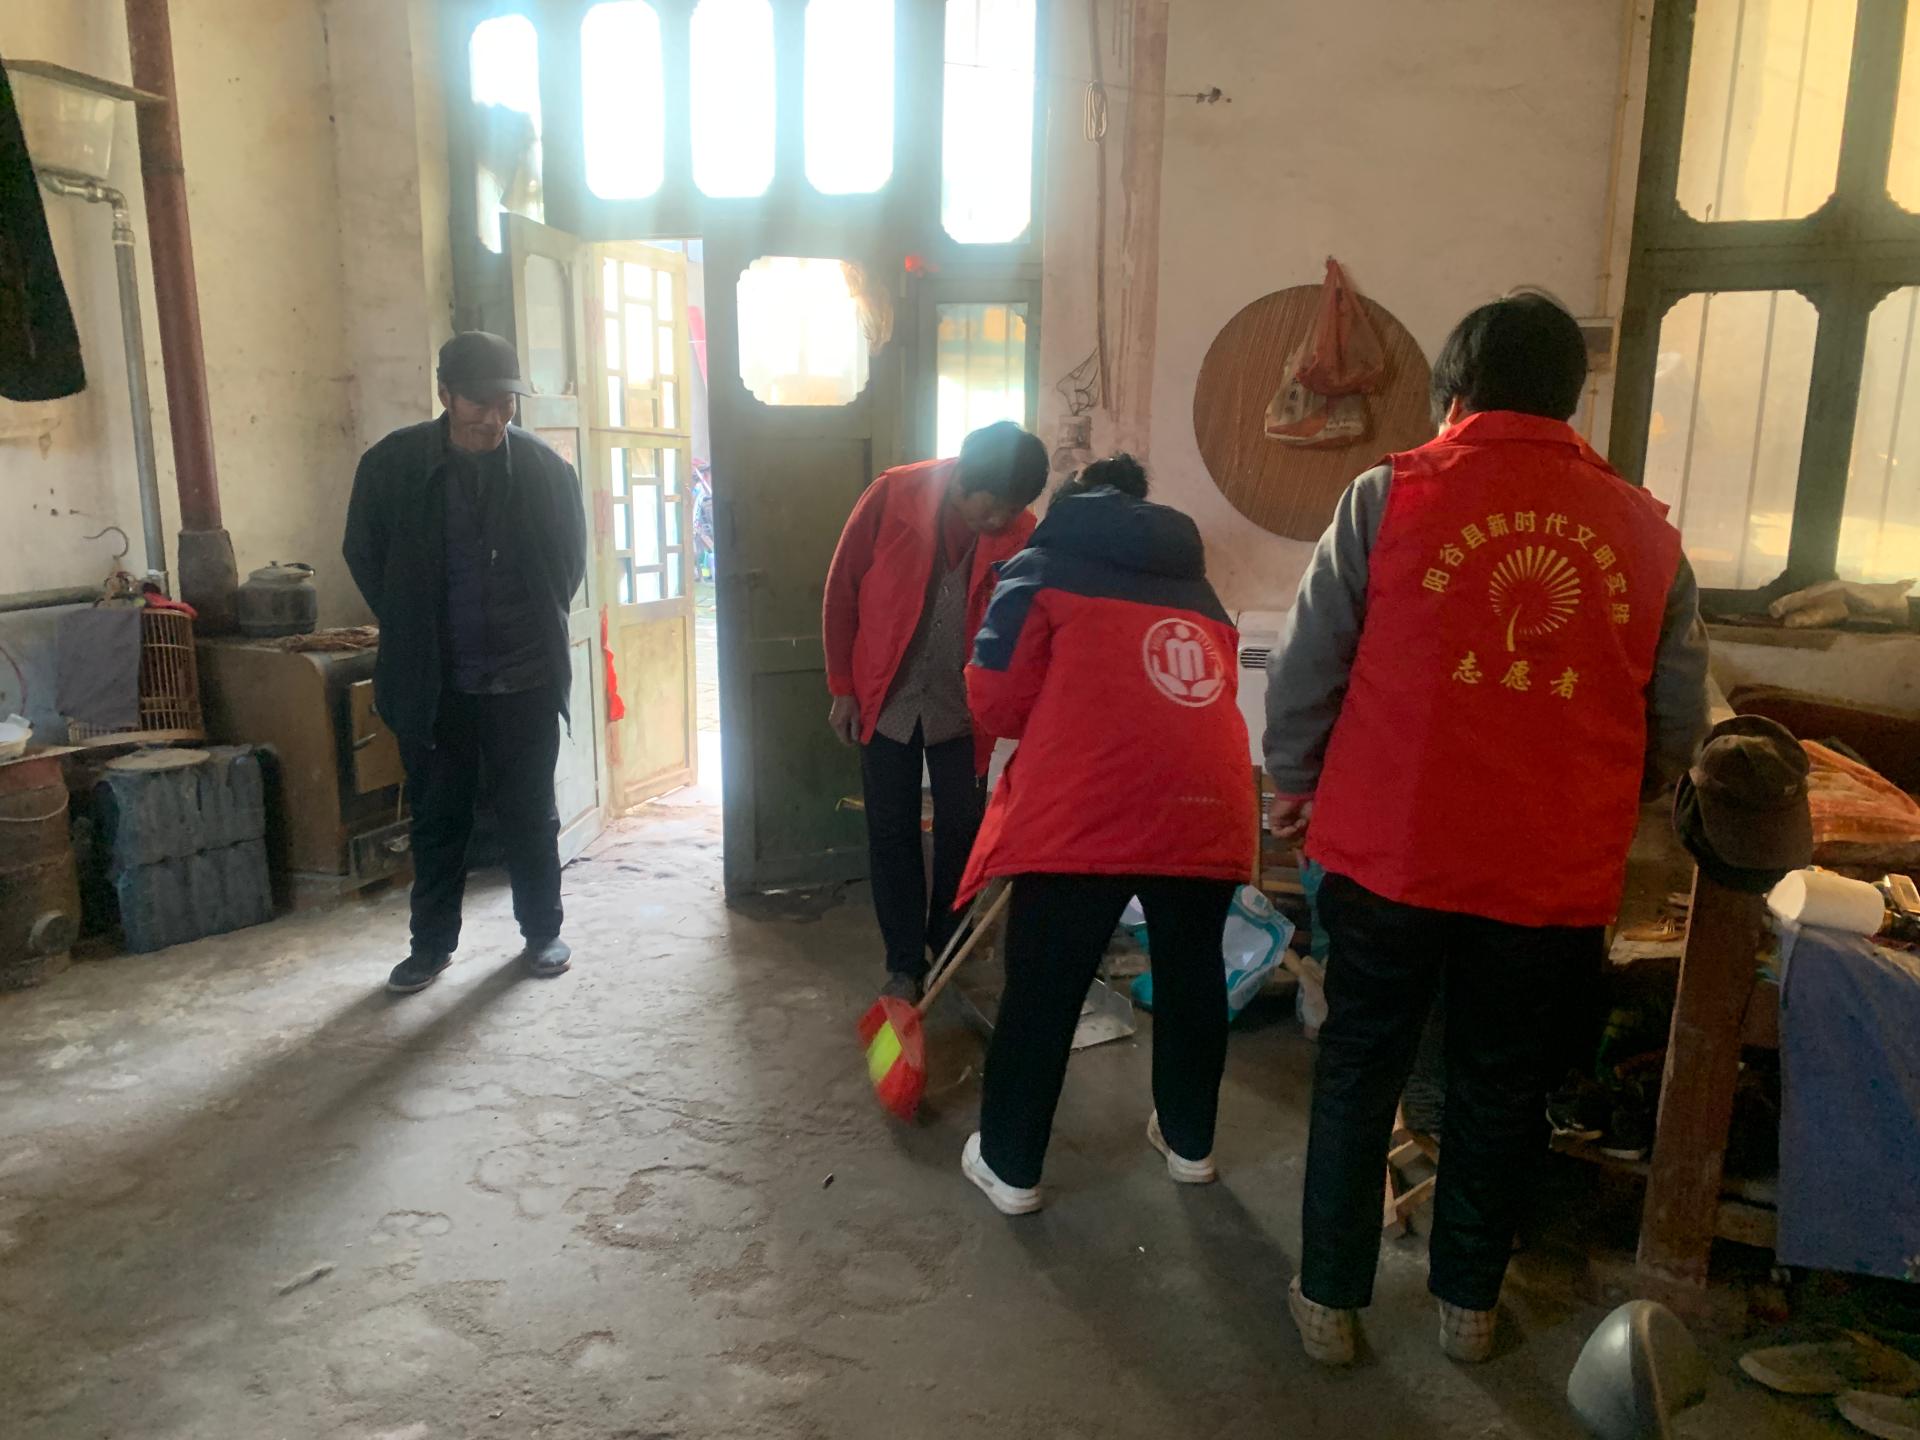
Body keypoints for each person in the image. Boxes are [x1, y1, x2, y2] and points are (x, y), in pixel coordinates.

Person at [1263, 295, 1709, 1365]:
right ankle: (1468, 1308)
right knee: (1501, 1085)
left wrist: (1292, 779)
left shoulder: (1388, 496)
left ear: (1453, 391)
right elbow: (1678, 718)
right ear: (1572, 397)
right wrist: (1617, 791)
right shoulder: (1646, 532)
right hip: (1550, 875)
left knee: (1361, 1068)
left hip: (1390, 855)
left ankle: (1330, 1303)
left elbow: (1308, 660)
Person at [952, 455, 1255, 1216]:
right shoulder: (1199, 586)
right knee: (1193, 977)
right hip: (1207, 802)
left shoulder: (1039, 566)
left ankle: (1010, 1164)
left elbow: (995, 701)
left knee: (1045, 987)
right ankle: (1190, 1145)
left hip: (1086, 807)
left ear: (1068, 501)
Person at [344, 331, 588, 996]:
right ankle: (430, 948)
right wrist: (414, 625)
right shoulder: (391, 468)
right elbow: (365, 556)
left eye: (506, 404)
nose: (494, 418)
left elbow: (566, 569)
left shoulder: (545, 472)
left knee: (530, 813)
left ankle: (542, 933)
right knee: (438, 817)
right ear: (445, 395)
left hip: (524, 676)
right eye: (479, 403)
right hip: (436, 683)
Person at [822, 421, 1047, 1002]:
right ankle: (904, 962)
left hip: (964, 709)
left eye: (1013, 510)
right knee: (891, 829)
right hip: (886, 697)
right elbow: (842, 588)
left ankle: (948, 945)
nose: (1002, 521)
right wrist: (843, 686)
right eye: (992, 507)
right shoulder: (894, 494)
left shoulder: (1022, 532)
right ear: (964, 480)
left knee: (962, 830)